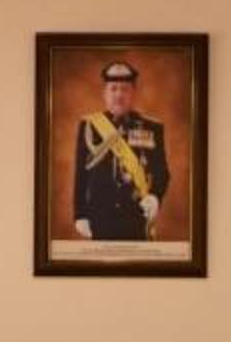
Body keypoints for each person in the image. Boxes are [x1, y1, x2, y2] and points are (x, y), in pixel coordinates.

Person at [70, 59, 170, 240]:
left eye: (125, 89)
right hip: (99, 219)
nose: (119, 94)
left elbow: (161, 172)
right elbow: (81, 175)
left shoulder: (152, 127)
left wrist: (155, 197)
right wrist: (80, 214)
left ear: (133, 92)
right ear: (104, 93)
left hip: (136, 218)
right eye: (113, 89)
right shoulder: (89, 126)